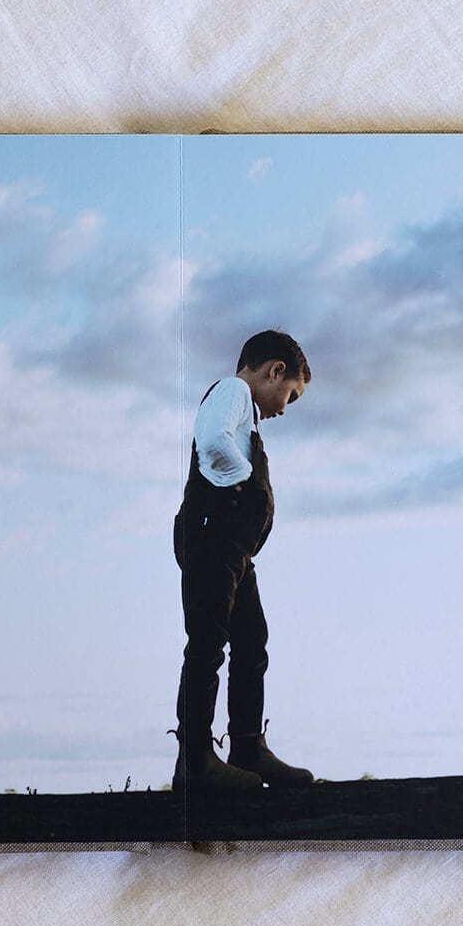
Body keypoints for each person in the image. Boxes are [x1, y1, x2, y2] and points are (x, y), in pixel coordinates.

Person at [172, 329, 315, 792]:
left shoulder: (246, 416)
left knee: (252, 640)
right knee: (208, 642)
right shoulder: (232, 391)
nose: (282, 409)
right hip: (213, 536)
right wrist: (246, 482)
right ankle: (195, 763)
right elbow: (212, 441)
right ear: (275, 370)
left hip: (233, 549)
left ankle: (248, 749)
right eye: (288, 396)